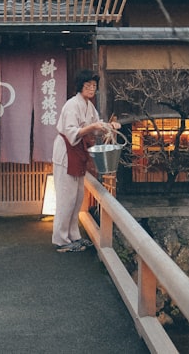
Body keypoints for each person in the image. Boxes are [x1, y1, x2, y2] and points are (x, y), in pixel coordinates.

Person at [51, 69, 120, 253]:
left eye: (94, 86)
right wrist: (92, 126)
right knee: (66, 198)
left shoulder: (89, 106)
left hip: (79, 152)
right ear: (80, 86)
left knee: (77, 197)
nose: (91, 89)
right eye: (88, 85)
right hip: (67, 151)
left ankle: (73, 236)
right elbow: (72, 131)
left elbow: (97, 127)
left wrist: (110, 126)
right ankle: (60, 239)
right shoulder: (72, 105)